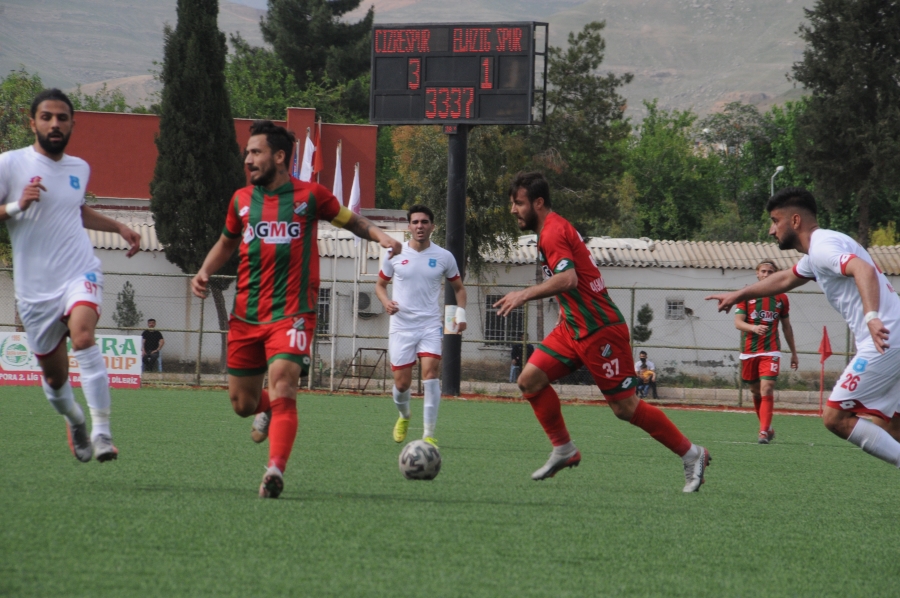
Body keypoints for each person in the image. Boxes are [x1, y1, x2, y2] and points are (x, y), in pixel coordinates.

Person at [191, 120, 401, 499]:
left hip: (293, 311)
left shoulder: (310, 196)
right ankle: (266, 407)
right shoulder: (240, 200)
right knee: (243, 404)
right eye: (247, 153)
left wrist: (381, 235)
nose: (248, 160)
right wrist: (205, 270)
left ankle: (274, 470)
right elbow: (226, 243)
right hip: (246, 315)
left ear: (280, 156)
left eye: (255, 153)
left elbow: (351, 220)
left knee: (285, 382)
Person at [494, 172, 710, 492]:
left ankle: (693, 454)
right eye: (512, 203)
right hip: (572, 327)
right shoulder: (553, 228)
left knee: (625, 408)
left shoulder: (552, 233)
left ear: (538, 203)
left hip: (600, 331)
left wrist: (523, 294)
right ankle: (564, 448)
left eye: (518, 203)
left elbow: (568, 280)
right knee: (529, 380)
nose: (513, 209)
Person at [707, 187, 900, 471]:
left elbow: (863, 269)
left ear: (795, 221)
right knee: (891, 425)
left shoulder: (822, 248)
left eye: (776, 221)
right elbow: (785, 279)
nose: (772, 231)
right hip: (892, 335)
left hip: (885, 337)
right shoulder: (823, 247)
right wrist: (738, 295)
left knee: (835, 418)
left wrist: (871, 315)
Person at [0, 89, 141, 463]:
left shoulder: (79, 168)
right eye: (47, 117)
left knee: (83, 336)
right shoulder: (10, 164)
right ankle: (75, 420)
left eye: (62, 118)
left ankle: (102, 432)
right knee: (56, 380)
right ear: (33, 122)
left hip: (79, 271)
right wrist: (18, 204)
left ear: (73, 124)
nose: (55, 124)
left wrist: (117, 226)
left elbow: (74, 211)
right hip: (35, 293)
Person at [375, 204, 467, 447]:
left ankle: (428, 434)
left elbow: (459, 289)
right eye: (415, 222)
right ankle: (405, 416)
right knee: (402, 384)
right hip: (401, 327)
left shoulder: (444, 257)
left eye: (424, 222)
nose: (419, 226)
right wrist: (386, 302)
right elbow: (380, 286)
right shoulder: (395, 253)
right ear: (408, 226)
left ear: (432, 226)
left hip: (429, 325)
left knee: (431, 375)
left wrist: (460, 315)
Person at [734, 260, 799, 443]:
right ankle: (767, 428)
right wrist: (753, 328)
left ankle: (762, 431)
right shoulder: (746, 295)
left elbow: (786, 327)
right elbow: (738, 322)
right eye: (763, 271)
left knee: (767, 387)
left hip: (771, 350)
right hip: (749, 351)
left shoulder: (781, 298)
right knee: (756, 392)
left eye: (771, 271)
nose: (767, 274)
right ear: (757, 273)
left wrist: (794, 352)